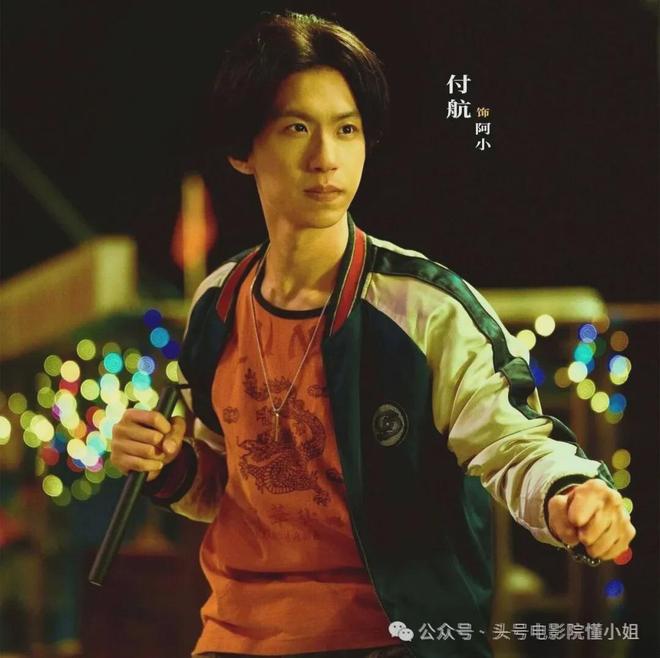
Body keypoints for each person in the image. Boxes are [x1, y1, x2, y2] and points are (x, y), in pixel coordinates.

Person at [110, 11, 636, 658]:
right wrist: (168, 461)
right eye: (297, 128)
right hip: (235, 637)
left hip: (392, 637)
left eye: (347, 129)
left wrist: (569, 494)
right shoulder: (217, 303)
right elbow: (222, 483)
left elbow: (515, 443)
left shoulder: (426, 308)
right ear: (243, 149)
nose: (326, 158)